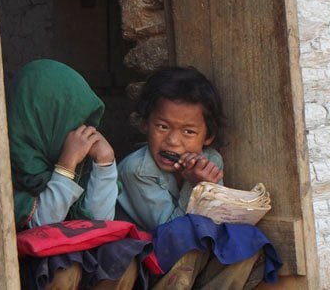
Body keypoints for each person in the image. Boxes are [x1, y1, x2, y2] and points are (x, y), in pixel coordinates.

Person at [117, 67, 281, 289]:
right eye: (162, 127)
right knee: (187, 231)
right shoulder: (136, 170)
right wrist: (196, 185)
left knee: (245, 238)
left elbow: (216, 219)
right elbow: (169, 230)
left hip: (195, 255)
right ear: (146, 123)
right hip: (148, 261)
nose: (173, 141)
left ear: (208, 136)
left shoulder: (211, 160)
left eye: (188, 132)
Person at [8, 59, 150, 290]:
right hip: (30, 267)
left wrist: (105, 163)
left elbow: (99, 220)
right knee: (64, 270)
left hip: (75, 253)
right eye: (68, 121)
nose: (79, 131)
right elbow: (43, 225)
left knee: (123, 261)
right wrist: (66, 164)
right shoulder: (11, 161)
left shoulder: (80, 160)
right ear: (40, 119)